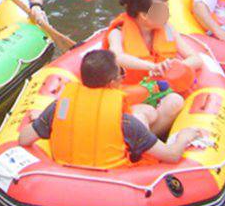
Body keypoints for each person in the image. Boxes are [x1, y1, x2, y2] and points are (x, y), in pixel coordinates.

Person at [15, 50, 206, 168]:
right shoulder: (126, 122)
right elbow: (172, 156)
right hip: (110, 183)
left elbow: (24, 138)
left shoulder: (60, 106)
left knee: (145, 113)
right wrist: (184, 137)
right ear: (113, 83)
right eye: (121, 73)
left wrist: (46, 122)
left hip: (61, 174)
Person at [103, 0, 208, 137]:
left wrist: (172, 68)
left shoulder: (168, 30)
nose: (167, 16)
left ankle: (148, 142)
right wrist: (153, 66)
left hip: (157, 92)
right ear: (144, 15)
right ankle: (142, 144)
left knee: (175, 101)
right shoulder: (118, 32)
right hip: (127, 95)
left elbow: (196, 59)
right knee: (144, 115)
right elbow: (117, 57)